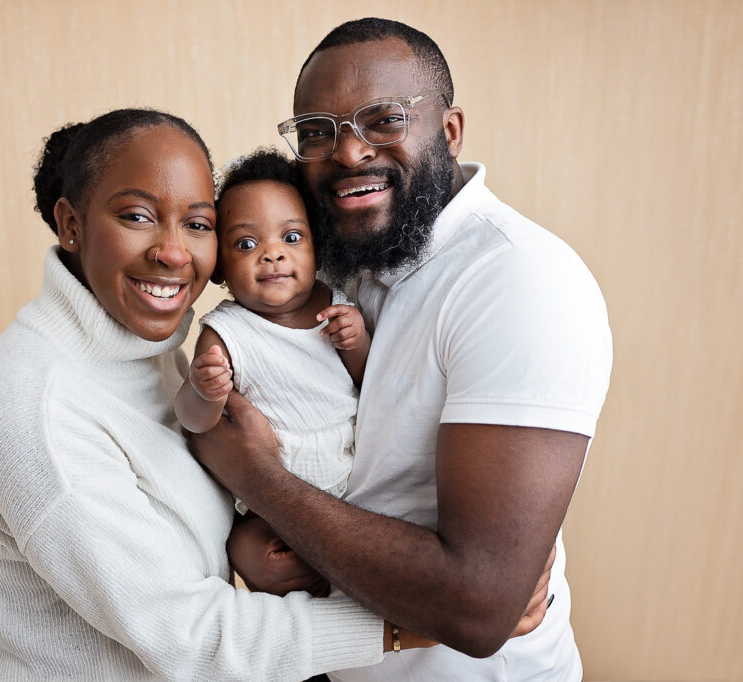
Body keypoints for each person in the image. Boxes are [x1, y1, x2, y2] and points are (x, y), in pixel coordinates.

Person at [188, 18, 613, 681]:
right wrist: (253, 546)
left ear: (449, 130)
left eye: (383, 119)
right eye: (317, 133)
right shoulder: (339, 258)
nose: (349, 153)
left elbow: (479, 608)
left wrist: (256, 479)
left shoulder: (519, 279)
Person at [0, 108, 417, 680]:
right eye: (138, 216)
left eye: (196, 224)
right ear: (71, 224)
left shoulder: (150, 346)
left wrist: (254, 545)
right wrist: (415, 623)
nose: (172, 252)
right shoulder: (36, 412)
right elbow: (190, 637)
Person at [175, 149, 369, 528]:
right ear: (219, 267)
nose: (273, 254)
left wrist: (357, 340)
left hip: (354, 468)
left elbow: (368, 379)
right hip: (270, 485)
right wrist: (203, 392)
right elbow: (193, 422)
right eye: (247, 245)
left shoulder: (333, 305)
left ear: (317, 248)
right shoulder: (226, 332)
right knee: (249, 552)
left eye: (292, 237)